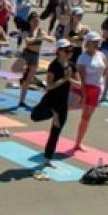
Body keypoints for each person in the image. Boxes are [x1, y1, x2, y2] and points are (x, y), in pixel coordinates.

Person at [31, 38, 77, 170]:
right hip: (50, 101)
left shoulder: (71, 65)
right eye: (67, 50)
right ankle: (53, 112)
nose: (70, 53)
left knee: (56, 131)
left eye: (71, 50)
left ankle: (47, 158)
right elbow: (49, 86)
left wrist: (71, 80)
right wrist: (64, 79)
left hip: (63, 103)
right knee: (35, 116)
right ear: (60, 51)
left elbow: (79, 84)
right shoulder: (54, 65)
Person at [72, 33, 108, 151]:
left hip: (97, 89)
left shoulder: (101, 55)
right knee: (83, 115)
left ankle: (78, 142)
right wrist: (83, 94)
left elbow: (106, 69)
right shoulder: (83, 57)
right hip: (86, 87)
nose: (97, 44)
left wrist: (101, 82)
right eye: (94, 41)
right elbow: (81, 78)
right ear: (88, 43)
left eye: (98, 41)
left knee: (87, 117)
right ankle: (77, 143)